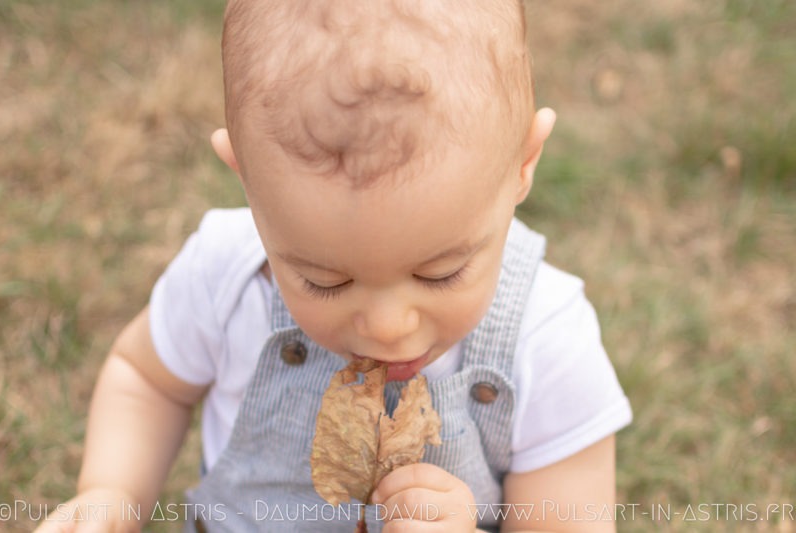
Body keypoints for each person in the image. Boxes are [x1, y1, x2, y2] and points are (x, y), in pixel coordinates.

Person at [37, 0, 631, 531]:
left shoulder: (546, 339)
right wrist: (112, 491)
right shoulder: (229, 274)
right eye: (325, 280)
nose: (388, 326)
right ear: (246, 177)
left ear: (523, 163)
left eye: (440, 273)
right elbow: (146, 381)